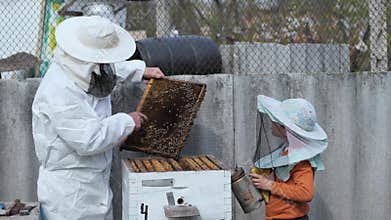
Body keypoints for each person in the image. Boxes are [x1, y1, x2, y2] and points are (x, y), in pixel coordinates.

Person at [32, 16, 164, 220]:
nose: (105, 64)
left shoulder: (82, 67)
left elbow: (109, 70)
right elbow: (88, 139)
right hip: (70, 197)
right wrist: (127, 121)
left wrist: (140, 70)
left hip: (94, 183)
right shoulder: (58, 90)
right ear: (88, 60)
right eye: (101, 60)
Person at [250, 95, 328, 220]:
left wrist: (269, 185)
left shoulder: (302, 161)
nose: (272, 122)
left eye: (276, 120)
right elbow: (284, 183)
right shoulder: (286, 152)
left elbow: (305, 193)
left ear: (284, 127)